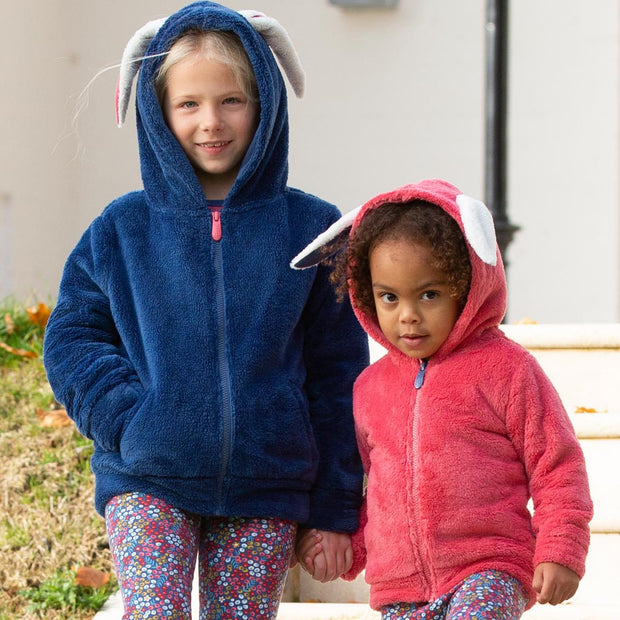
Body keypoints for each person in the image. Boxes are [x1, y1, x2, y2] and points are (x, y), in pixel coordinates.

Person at [43, 2, 368, 618]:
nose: (210, 122)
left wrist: (334, 507)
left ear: (266, 101)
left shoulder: (315, 228)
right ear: (158, 111)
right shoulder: (122, 229)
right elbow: (72, 339)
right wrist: (129, 422)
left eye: (232, 101)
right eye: (188, 104)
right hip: (149, 479)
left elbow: (339, 374)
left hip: (266, 485)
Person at [292, 179, 593, 619]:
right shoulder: (369, 389)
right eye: (389, 298)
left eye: (429, 294)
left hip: (489, 568)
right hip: (399, 586)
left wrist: (561, 547)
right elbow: (374, 488)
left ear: (468, 284)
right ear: (366, 294)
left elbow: (557, 465)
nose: (407, 314)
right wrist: (349, 545)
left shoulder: (507, 370)